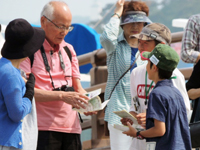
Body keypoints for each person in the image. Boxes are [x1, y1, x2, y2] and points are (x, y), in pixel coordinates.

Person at [20, 1, 93, 150]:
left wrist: (89, 102)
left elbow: (78, 88)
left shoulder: (69, 49)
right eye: (60, 26)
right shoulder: (29, 50)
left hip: (72, 128)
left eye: (68, 27)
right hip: (41, 128)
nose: (64, 32)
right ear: (43, 21)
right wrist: (61, 96)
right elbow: (24, 92)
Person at [120, 23, 191, 150]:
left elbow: (184, 111)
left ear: (161, 46)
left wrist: (153, 117)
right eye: (139, 42)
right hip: (139, 143)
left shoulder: (174, 75)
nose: (140, 47)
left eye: (145, 43)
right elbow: (135, 104)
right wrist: (131, 117)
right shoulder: (136, 73)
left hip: (162, 142)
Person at [100, 0, 151, 149]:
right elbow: (107, 38)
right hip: (119, 112)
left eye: (139, 22)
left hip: (143, 114)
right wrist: (117, 11)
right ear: (122, 23)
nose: (135, 26)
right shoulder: (114, 46)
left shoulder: (148, 49)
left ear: (145, 24)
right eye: (130, 22)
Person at [0, 18, 45, 149]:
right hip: (8, 144)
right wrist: (29, 96)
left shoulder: (3, 67)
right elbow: (16, 114)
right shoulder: (12, 74)